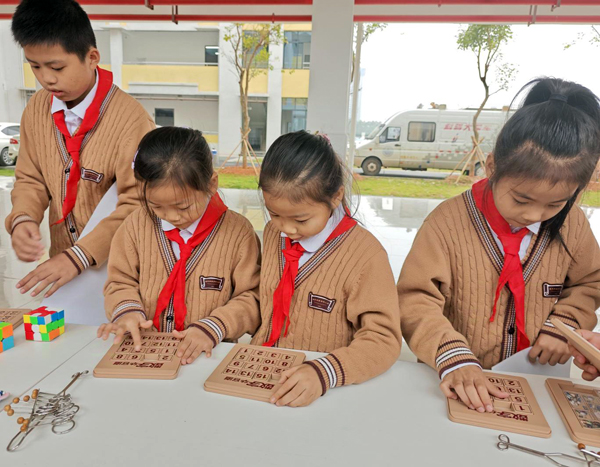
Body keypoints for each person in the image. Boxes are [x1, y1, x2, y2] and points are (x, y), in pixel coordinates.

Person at [398, 78, 600, 413]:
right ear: (492, 167)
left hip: (535, 384)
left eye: (555, 205)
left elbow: (589, 283)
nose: (535, 215)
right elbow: (415, 299)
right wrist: (452, 356)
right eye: (521, 199)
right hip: (450, 382)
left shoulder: (574, 224)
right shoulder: (447, 223)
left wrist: (563, 325)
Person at [6, 0, 154, 298]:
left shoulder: (131, 120)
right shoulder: (36, 109)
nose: (46, 78)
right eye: (35, 66)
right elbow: (31, 179)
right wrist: (23, 217)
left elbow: (139, 202)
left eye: (57, 67)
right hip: (64, 266)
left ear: (92, 57)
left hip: (122, 270)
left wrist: (82, 254)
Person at [251, 130, 402, 407]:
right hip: (267, 377)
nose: (286, 228)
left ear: (335, 197)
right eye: (274, 214)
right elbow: (264, 302)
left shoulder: (365, 256)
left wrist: (325, 372)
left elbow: (383, 340)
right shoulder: (274, 235)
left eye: (300, 219)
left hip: (326, 391)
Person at [98, 127, 261, 365]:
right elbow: (120, 281)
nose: (171, 216)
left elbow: (253, 297)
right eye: (156, 206)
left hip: (208, 356)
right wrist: (127, 311)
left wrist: (213, 327)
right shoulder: (135, 225)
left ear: (212, 183)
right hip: (143, 352)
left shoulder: (238, 233)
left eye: (183, 207)